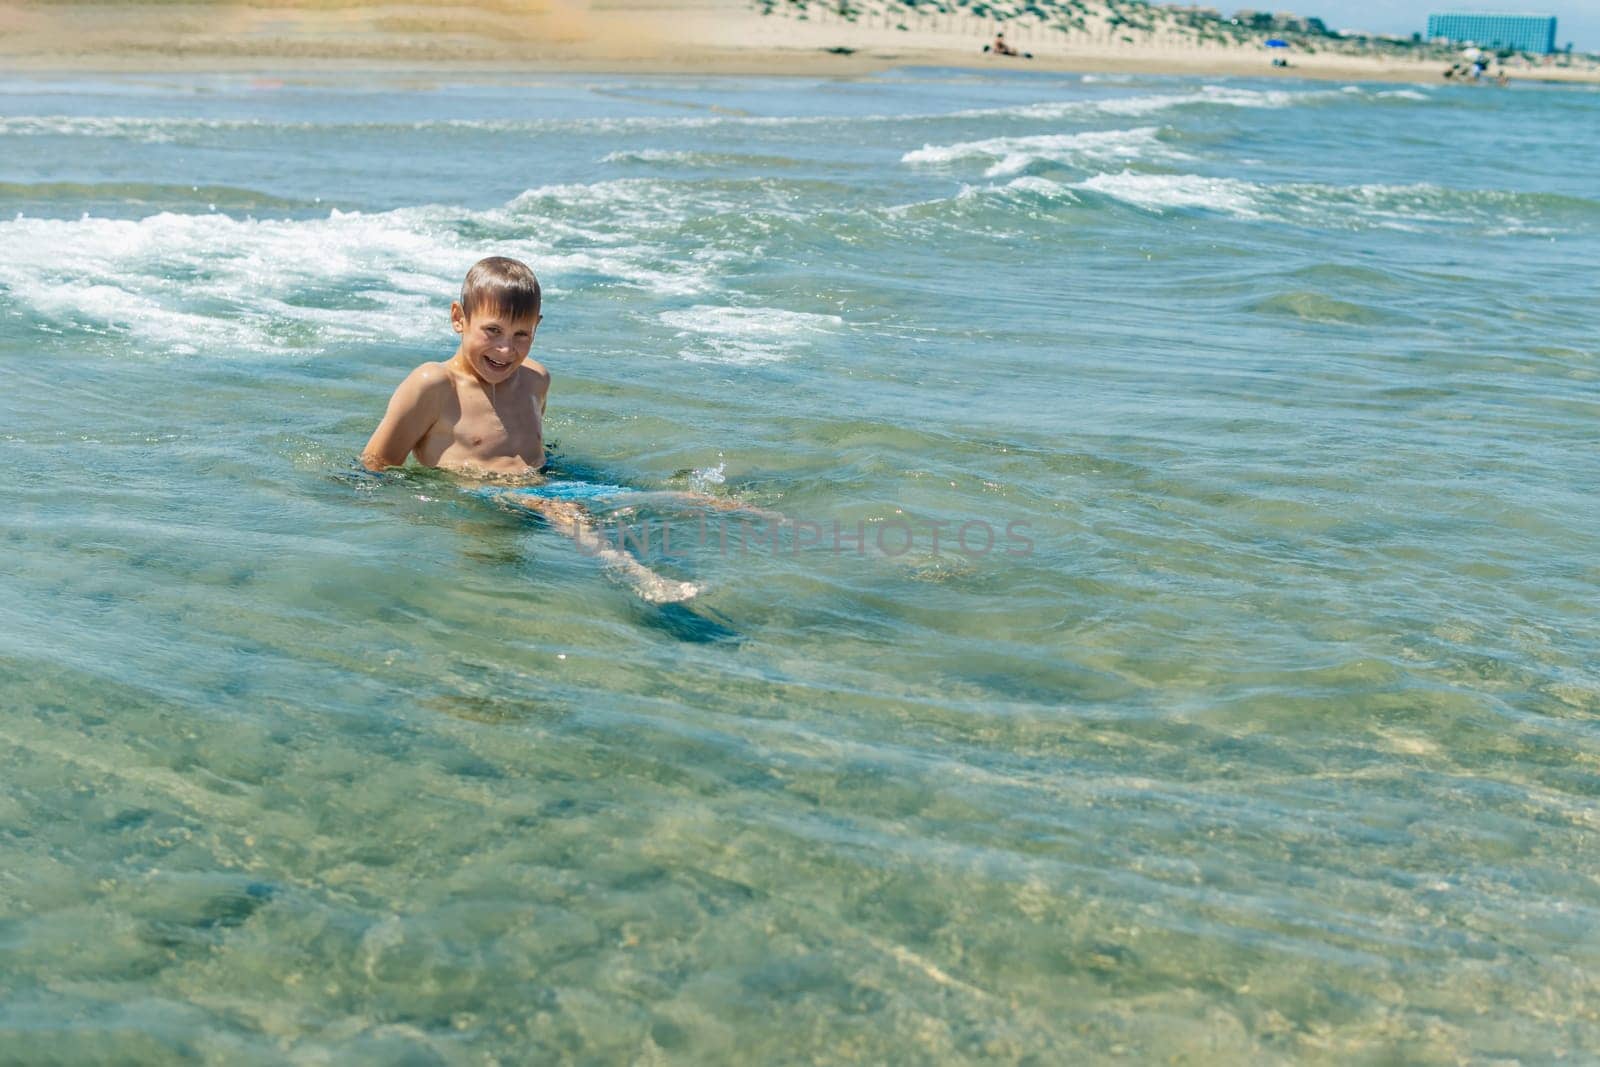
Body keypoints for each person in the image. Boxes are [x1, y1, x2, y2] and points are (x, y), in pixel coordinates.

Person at [362, 256, 702, 602]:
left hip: (543, 488)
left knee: (672, 501)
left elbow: (531, 451)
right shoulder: (433, 385)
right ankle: (634, 574)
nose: (506, 349)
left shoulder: (536, 380)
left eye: (521, 335)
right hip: (479, 500)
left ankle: (740, 512)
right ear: (458, 319)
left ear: (536, 327)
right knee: (564, 517)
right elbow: (376, 465)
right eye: (492, 330)